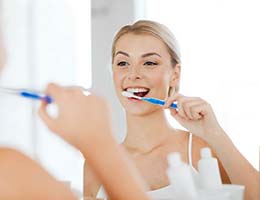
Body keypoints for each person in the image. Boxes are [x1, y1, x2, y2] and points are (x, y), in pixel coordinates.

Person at [84, 20, 260, 200]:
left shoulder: (199, 149)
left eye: (149, 63)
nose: (133, 74)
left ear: (175, 75)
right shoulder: (96, 166)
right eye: (123, 63)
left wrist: (214, 134)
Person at [0, 12, 150, 200]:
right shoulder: (9, 173)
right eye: (122, 63)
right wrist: (101, 145)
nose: (6, 56)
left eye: (149, 62)